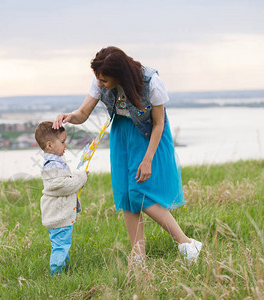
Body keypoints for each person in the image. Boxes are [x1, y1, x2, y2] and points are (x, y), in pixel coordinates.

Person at [53, 46, 202, 265]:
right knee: (125, 193)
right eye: (99, 79)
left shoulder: (151, 82)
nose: (100, 83)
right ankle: (138, 255)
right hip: (121, 134)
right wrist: (68, 117)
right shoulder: (100, 79)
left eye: (104, 80)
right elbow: (83, 113)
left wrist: (148, 159)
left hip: (147, 135)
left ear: (119, 76)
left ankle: (186, 244)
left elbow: (159, 124)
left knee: (139, 192)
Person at [34, 121, 89, 274]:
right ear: (49, 145)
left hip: (60, 214)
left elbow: (67, 180)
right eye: (63, 142)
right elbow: (62, 185)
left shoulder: (57, 163)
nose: (66, 145)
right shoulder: (52, 165)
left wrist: (79, 176)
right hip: (58, 215)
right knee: (61, 245)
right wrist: (81, 179)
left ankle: (64, 269)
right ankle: (57, 272)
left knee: (62, 243)